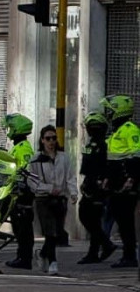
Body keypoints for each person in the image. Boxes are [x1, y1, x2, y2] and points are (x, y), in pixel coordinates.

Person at [27, 125, 77, 276]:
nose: (51, 142)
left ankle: (42, 254)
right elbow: (32, 181)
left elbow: (70, 177)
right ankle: (53, 262)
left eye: (54, 138)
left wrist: (73, 193)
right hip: (43, 200)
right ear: (42, 140)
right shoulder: (36, 159)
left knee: (58, 231)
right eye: (48, 138)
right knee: (50, 231)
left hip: (60, 199)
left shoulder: (64, 158)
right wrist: (48, 188)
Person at [102, 94, 140, 269]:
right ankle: (127, 254)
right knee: (120, 219)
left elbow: (136, 157)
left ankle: (130, 256)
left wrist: (131, 179)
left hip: (126, 185)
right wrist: (108, 178)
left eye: (110, 110)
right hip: (117, 184)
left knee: (126, 221)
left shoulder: (130, 130)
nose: (108, 113)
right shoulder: (117, 131)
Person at [77, 111, 116, 264]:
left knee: (90, 218)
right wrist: (85, 183)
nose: (92, 130)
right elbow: (86, 167)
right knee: (89, 218)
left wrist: (103, 181)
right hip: (90, 185)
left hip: (99, 187)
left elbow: (109, 166)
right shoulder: (89, 146)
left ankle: (105, 245)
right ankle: (95, 251)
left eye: (96, 127)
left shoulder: (106, 146)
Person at [3, 113, 36, 270]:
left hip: (23, 193)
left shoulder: (23, 149)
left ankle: (25, 258)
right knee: (18, 226)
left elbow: (24, 170)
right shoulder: (18, 147)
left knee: (23, 227)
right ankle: (21, 256)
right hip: (16, 192)